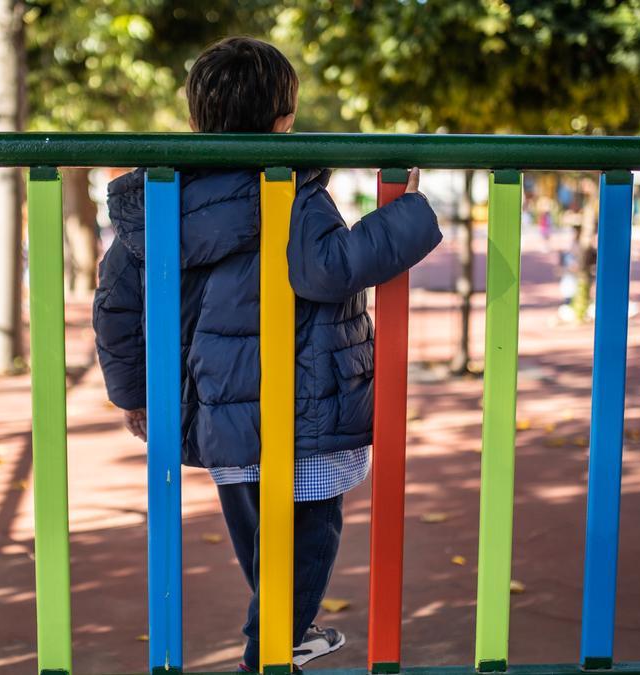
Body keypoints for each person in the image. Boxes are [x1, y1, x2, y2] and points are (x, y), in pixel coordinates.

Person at [91, 36, 442, 672]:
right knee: (311, 529)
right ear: (285, 122)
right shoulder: (291, 191)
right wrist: (409, 217)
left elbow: (117, 307)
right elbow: (329, 270)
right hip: (301, 406)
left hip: (219, 414)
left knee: (255, 529)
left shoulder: (159, 203)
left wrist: (136, 394)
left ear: (197, 121)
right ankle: (273, 646)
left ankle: (280, 630)